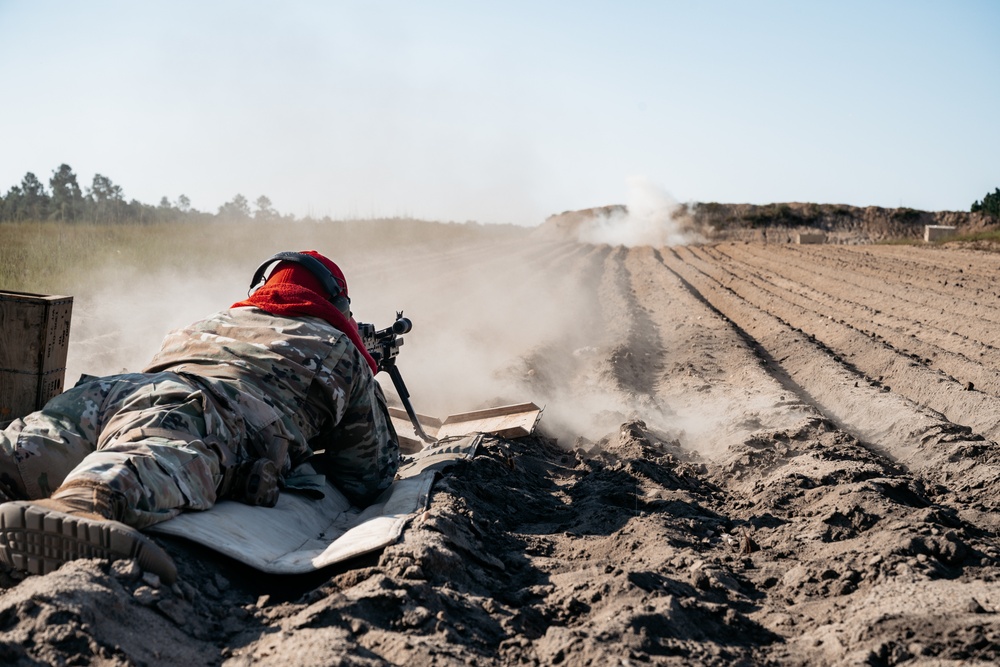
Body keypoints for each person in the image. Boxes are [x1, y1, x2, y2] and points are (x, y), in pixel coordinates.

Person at [0, 250, 399, 584]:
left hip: (113, 391)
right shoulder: (338, 348)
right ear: (339, 308)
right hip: (203, 405)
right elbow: (368, 474)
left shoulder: (209, 322)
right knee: (153, 451)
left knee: (25, 448)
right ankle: (80, 504)